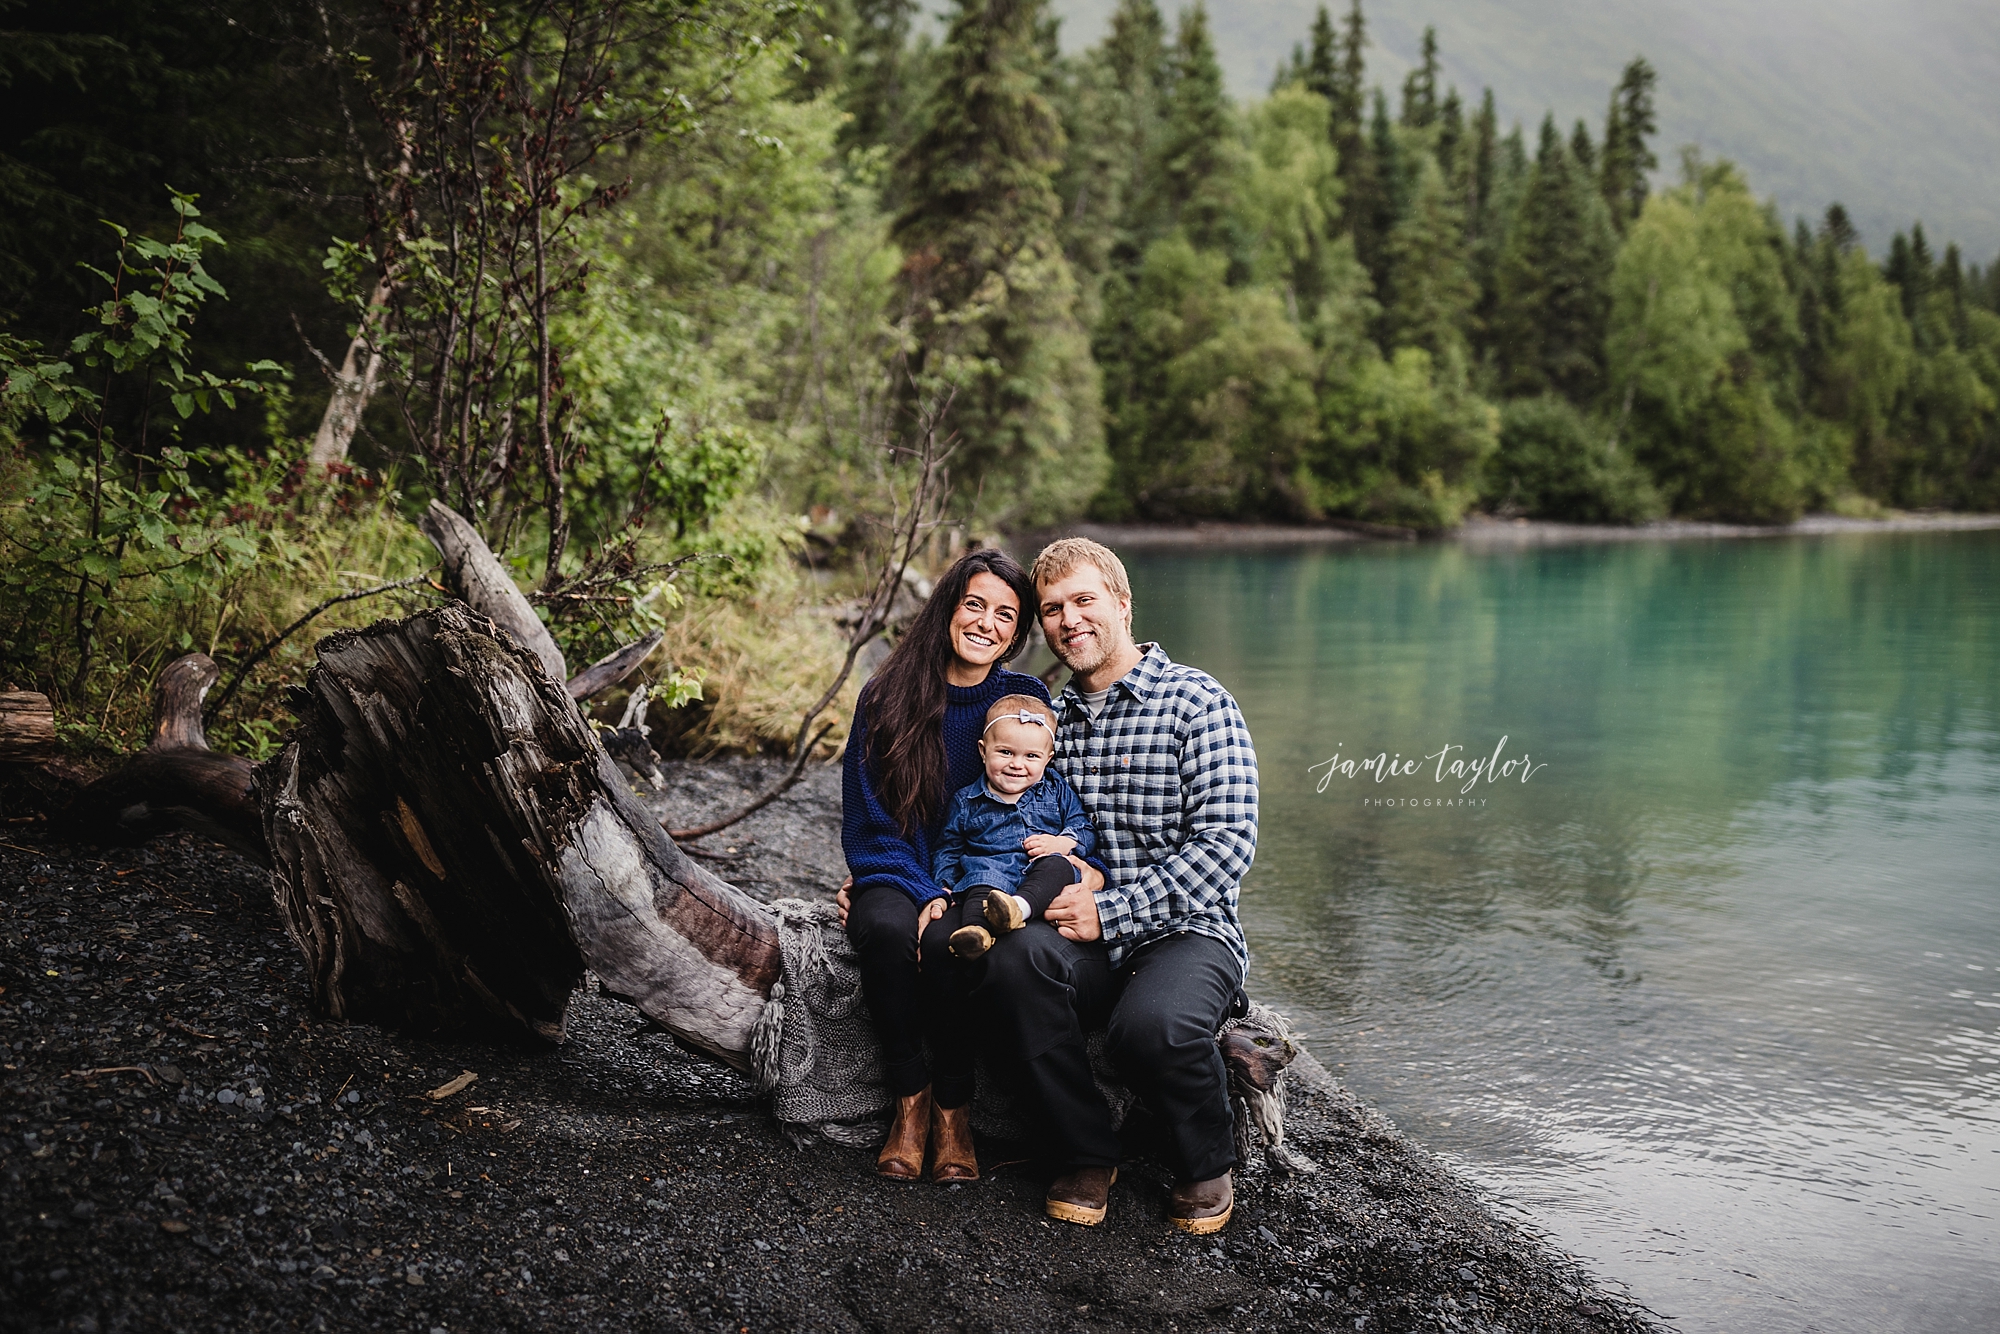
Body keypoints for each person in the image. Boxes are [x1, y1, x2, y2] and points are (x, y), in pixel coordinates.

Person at [981, 536, 1259, 1235]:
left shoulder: (1197, 702)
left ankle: (1205, 1161)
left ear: (1122, 604)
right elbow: (995, 811)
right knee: (1013, 962)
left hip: (1188, 931)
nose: (1068, 619)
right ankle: (1085, 1149)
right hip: (1081, 935)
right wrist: (894, 880)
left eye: (1084, 600)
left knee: (1152, 1027)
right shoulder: (1045, 722)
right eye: (1052, 609)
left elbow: (1228, 846)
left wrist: (1113, 910)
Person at [840, 547, 1051, 1183]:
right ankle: (910, 1103)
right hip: (898, 862)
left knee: (951, 945)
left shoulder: (1023, 698)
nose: (987, 622)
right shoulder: (887, 694)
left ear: (1018, 633)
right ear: (948, 610)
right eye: (975, 605)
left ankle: (954, 1109)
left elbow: (1041, 802)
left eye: (1006, 615)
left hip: (986, 875)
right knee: (883, 929)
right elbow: (868, 814)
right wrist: (919, 885)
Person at [929, 695, 1098, 961]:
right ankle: (976, 932)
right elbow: (949, 848)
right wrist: (944, 886)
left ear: (1048, 759)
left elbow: (1084, 827)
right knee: (980, 880)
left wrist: (1063, 843)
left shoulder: (1056, 791)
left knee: (1060, 865)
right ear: (984, 751)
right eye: (1006, 752)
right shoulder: (966, 801)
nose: (1017, 764)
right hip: (991, 873)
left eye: (1031, 756)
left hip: (1040, 876)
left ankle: (1019, 908)